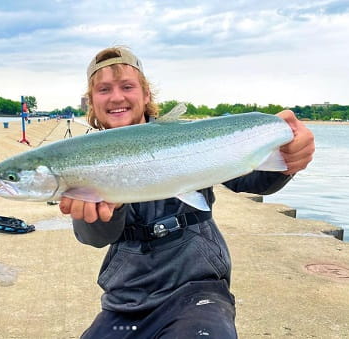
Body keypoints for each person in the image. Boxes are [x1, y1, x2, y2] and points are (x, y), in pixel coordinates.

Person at [59, 46, 315, 338]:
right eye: (104, 89)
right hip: (126, 300)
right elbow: (95, 237)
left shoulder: (188, 138)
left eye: (127, 86)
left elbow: (252, 181)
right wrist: (104, 211)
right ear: (92, 101)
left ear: (146, 96)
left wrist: (287, 158)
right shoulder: (82, 158)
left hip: (198, 291)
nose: (117, 97)